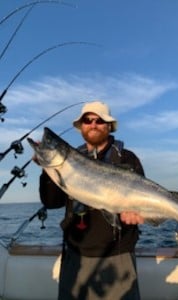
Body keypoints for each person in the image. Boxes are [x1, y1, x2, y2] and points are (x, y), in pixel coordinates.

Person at [39, 101, 145, 300]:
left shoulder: (127, 159)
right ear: (81, 126)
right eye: (87, 120)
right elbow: (51, 202)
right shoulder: (70, 159)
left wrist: (137, 211)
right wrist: (47, 171)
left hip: (118, 256)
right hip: (75, 256)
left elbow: (141, 201)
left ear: (109, 126)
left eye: (100, 120)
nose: (93, 124)